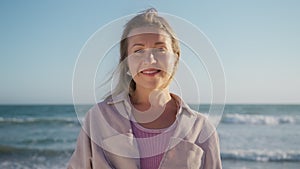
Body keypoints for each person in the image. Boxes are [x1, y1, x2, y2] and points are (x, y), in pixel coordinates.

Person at [68, 8, 222, 169]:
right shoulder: (98, 118)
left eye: (160, 49)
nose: (150, 59)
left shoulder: (202, 128)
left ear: (176, 57)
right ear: (126, 62)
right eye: (138, 50)